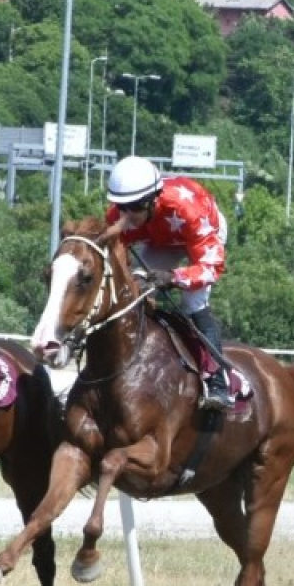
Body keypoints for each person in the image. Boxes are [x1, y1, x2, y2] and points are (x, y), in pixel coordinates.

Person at [105, 155, 237, 412]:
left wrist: (174, 277)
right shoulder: (119, 214)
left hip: (202, 233)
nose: (126, 216)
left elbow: (211, 268)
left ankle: (218, 383)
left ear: (153, 200)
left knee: (193, 302)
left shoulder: (189, 211)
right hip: (160, 239)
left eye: (135, 207)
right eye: (122, 207)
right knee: (133, 287)